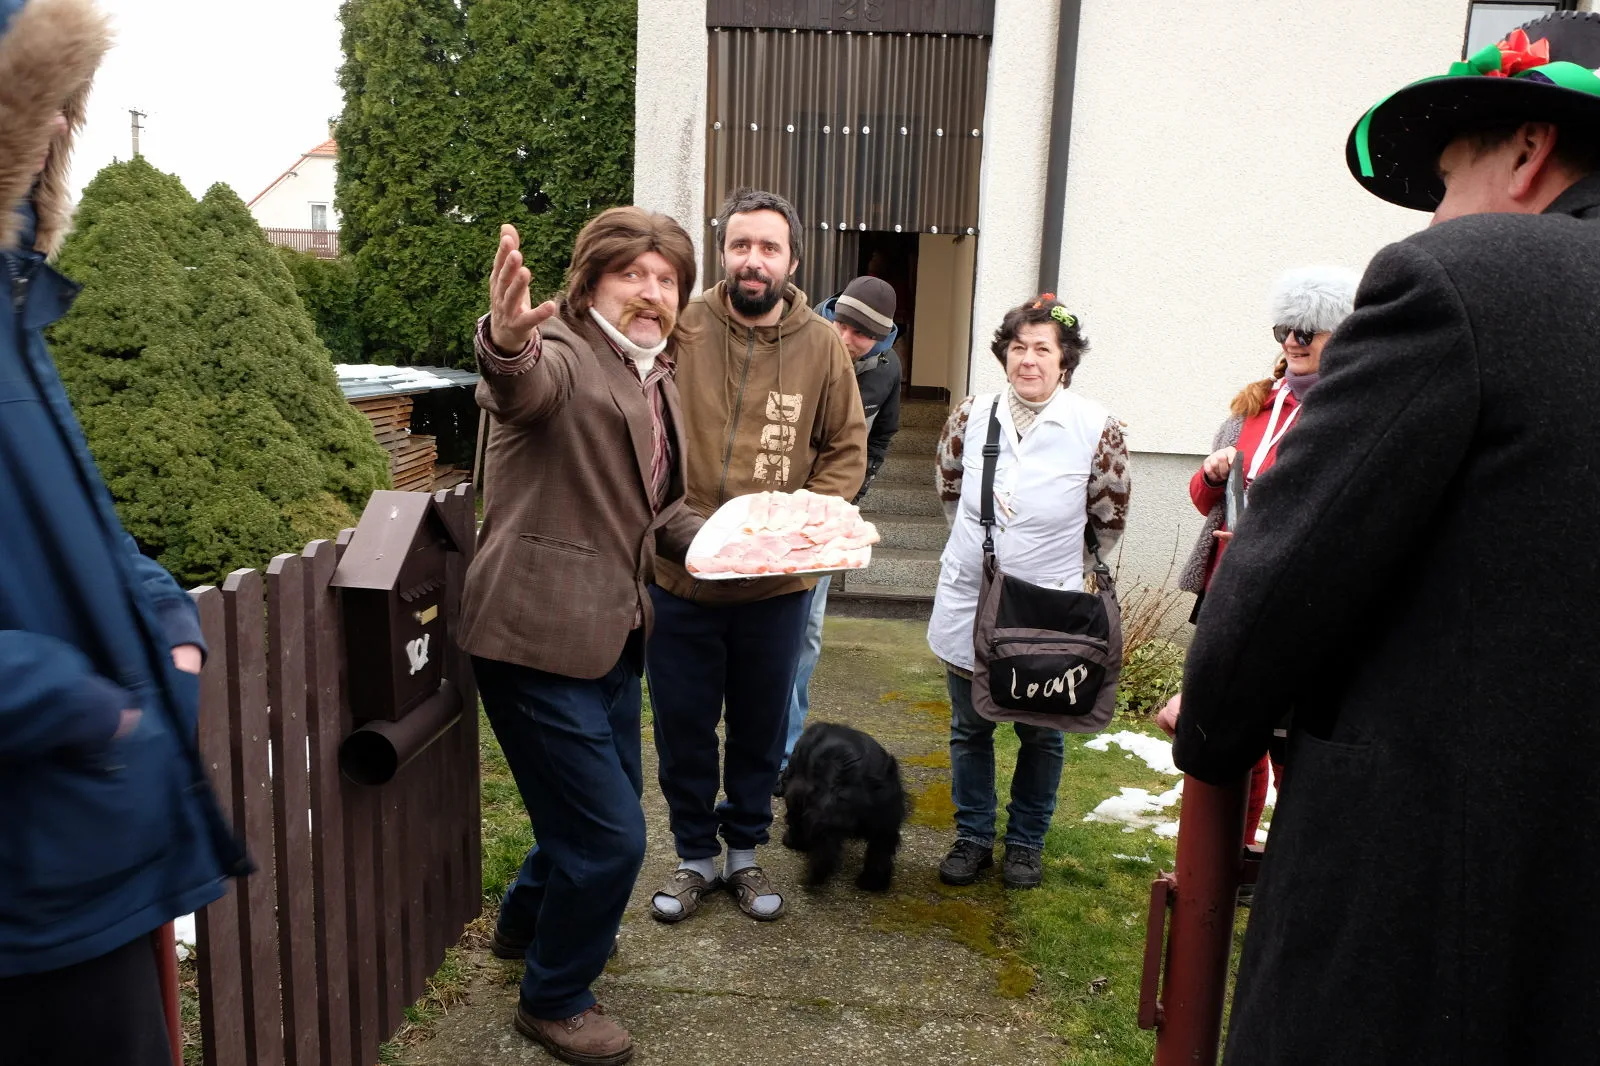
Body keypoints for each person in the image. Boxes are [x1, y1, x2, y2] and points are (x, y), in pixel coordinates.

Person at [1174, 13, 1600, 1064]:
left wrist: (1215, 727)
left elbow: (1286, 567)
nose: (1436, 220)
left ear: (1527, 150)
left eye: (1445, 184)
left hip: (1435, 904)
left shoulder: (1467, 277)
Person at [0, 2, 249, 1062]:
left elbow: (74, 524)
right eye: (38, 101)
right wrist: (89, 709)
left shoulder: (16, 318)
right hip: (29, 885)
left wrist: (166, 617)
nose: (63, 128)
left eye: (68, 106)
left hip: (77, 854)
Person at [461, 206, 701, 1065]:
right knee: (611, 838)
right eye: (632, 273)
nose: (652, 291)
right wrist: (503, 338)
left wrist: (735, 539)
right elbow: (520, 384)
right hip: (532, 636)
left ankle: (525, 926)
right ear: (591, 282)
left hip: (612, 635)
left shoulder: (655, 374)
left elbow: (659, 512)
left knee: (599, 814)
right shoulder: (561, 348)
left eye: (667, 278)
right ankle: (555, 997)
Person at [646, 188, 867, 924]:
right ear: (723, 253)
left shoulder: (822, 346)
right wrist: (672, 526)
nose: (753, 260)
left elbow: (845, 448)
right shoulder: (683, 327)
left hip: (775, 588)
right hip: (679, 576)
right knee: (682, 729)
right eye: (740, 245)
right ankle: (694, 856)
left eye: (769, 247)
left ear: (792, 261)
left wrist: (795, 527)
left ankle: (743, 852)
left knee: (760, 729)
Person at [928, 296, 1130, 890]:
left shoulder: (1097, 426)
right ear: (1005, 355)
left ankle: (1025, 844)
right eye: (1019, 347)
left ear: (1065, 361)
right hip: (972, 598)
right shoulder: (971, 415)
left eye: (1043, 348)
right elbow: (949, 491)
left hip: (1048, 609)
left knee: (1042, 734)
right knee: (970, 727)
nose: (1029, 359)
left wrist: (1050, 561)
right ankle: (972, 837)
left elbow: (1108, 519)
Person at [1168, 265, 1358, 848]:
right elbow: (1205, 502)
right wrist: (1211, 472)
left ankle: (1294, 858)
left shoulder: (1348, 410)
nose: (1293, 342)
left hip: (1297, 601)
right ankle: (1229, 853)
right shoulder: (1253, 406)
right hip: (1227, 592)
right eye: (1285, 331)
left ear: (1341, 335)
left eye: (1308, 331)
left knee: (1291, 739)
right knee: (1230, 731)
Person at [778, 275, 903, 783]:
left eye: (862, 335)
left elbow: (882, 436)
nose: (848, 339)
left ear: (882, 338)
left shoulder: (887, 370)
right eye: (843, 325)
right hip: (777, 515)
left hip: (827, 522)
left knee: (806, 634)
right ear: (831, 312)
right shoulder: (796, 341)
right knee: (771, 635)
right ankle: (764, 745)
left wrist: (854, 496)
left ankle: (787, 753)